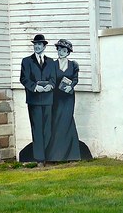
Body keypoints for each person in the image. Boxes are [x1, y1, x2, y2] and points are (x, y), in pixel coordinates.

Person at [19, 34, 54, 164]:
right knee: (37, 129)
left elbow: (53, 79)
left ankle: (46, 155)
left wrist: (51, 85)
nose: (37, 46)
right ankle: (40, 159)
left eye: (39, 44)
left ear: (44, 46)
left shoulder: (50, 62)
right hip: (34, 100)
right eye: (35, 44)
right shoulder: (26, 61)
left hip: (48, 99)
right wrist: (34, 87)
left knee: (48, 130)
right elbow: (23, 79)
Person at [46, 39, 81, 162]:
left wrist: (70, 86)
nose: (61, 52)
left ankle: (72, 154)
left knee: (67, 120)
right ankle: (56, 155)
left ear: (68, 52)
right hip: (56, 97)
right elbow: (51, 80)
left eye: (64, 50)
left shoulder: (73, 65)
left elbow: (75, 79)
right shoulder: (53, 65)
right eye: (59, 50)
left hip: (68, 97)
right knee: (56, 122)